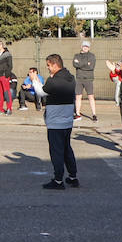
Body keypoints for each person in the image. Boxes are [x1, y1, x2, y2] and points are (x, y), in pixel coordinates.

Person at [40, 55, 80, 190]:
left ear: (55, 65)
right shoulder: (71, 78)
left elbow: (41, 92)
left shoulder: (53, 81)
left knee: (56, 151)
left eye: (48, 65)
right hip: (67, 120)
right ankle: (73, 177)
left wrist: (34, 80)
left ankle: (58, 180)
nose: (47, 68)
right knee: (67, 148)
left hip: (55, 121)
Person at [72, 40, 98, 121]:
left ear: (89, 48)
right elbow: (75, 64)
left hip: (88, 79)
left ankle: (94, 114)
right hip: (79, 79)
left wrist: (80, 64)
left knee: (91, 96)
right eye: (84, 46)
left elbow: (91, 67)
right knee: (78, 96)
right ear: (81, 47)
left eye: (87, 46)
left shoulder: (92, 56)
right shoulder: (76, 55)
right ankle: (77, 114)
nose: (85, 48)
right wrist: (86, 63)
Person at [0, 40, 15, 115]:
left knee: (6, 92)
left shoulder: (7, 54)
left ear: (1, 45)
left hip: (4, 76)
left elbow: (10, 66)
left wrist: (6, 75)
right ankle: (0, 109)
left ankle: (9, 109)